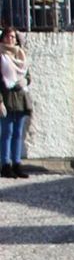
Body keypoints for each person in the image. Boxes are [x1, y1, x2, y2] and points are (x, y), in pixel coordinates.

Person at [0, 27, 29, 177]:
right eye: (8, 36)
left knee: (18, 132)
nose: (11, 39)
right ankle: (5, 164)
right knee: (7, 132)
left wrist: (25, 81)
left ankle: (17, 163)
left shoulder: (20, 54)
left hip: (21, 97)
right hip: (6, 97)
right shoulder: (1, 55)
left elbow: (27, 75)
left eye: (13, 37)